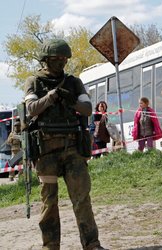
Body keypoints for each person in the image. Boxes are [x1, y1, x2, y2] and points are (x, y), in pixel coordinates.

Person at [23, 39, 106, 249]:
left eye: (64, 58)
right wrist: (51, 97)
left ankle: (92, 244)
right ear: (45, 59)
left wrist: (72, 101)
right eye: (56, 58)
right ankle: (51, 246)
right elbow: (31, 108)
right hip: (46, 151)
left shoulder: (74, 82)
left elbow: (87, 109)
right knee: (49, 202)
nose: (61, 62)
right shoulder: (34, 82)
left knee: (82, 199)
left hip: (72, 149)